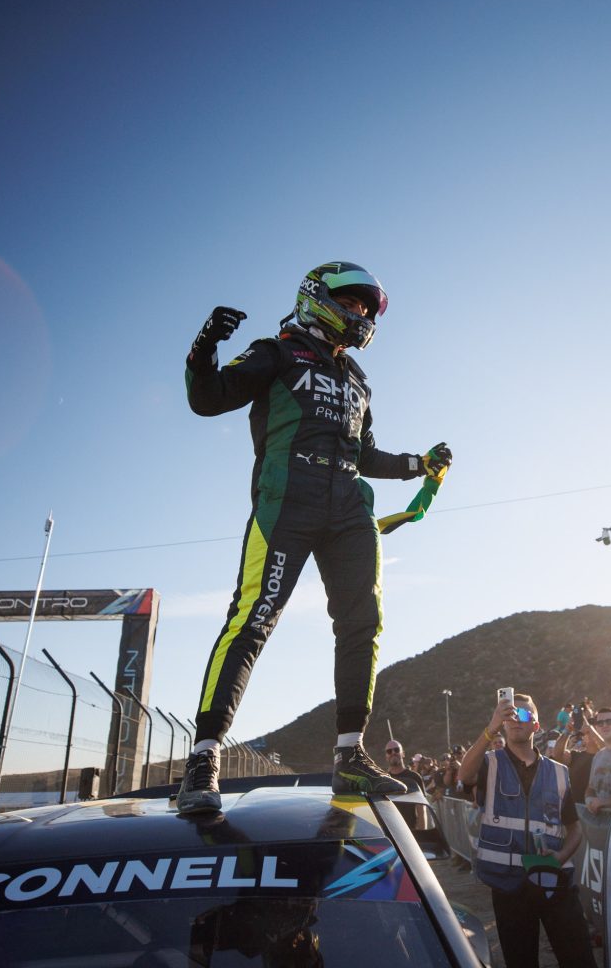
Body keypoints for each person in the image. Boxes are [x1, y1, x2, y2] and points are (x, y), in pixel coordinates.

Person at [176, 262, 453, 813]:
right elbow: (208, 398)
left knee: (362, 623)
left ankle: (350, 758)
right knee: (253, 620)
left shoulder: (358, 380)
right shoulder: (276, 352)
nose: (360, 316)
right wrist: (203, 348)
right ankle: (203, 761)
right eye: (351, 304)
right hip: (286, 503)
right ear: (317, 297)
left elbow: (364, 454)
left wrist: (419, 465)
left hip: (349, 509)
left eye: (366, 310)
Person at [456, 693, 596, 968]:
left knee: (580, 959)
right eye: (510, 715)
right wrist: (490, 728)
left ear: (536, 724)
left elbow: (575, 829)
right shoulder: (490, 763)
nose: (515, 719)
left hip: (555, 883)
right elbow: (464, 776)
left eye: (523, 714)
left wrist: (560, 858)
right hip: (508, 886)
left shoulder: (559, 772)